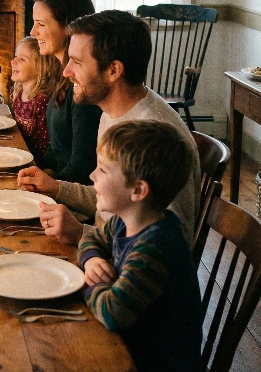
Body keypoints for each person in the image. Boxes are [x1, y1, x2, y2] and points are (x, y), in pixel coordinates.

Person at [19, 10, 201, 245]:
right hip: (99, 249)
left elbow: (168, 246)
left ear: (114, 70)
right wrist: (56, 188)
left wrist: (81, 234)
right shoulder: (111, 111)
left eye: (77, 62)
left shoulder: (154, 138)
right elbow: (113, 196)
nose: (66, 72)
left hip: (121, 273)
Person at [78, 120, 202, 372]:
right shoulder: (125, 223)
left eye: (102, 170)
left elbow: (112, 312)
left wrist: (86, 282)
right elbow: (91, 238)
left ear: (138, 190)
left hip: (152, 364)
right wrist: (91, 260)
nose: (92, 175)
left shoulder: (153, 250)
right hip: (129, 346)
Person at [19, 0, 100, 184]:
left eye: (41, 24)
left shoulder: (82, 86)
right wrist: (41, 172)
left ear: (68, 27)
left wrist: (47, 185)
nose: (33, 31)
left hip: (74, 198)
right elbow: (57, 150)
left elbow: (83, 168)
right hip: (59, 184)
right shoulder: (58, 74)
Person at [10, 36, 59, 157]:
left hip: (33, 161)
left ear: (39, 68)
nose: (13, 62)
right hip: (17, 152)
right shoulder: (19, 93)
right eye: (15, 57)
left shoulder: (41, 101)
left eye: (22, 59)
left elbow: (45, 144)